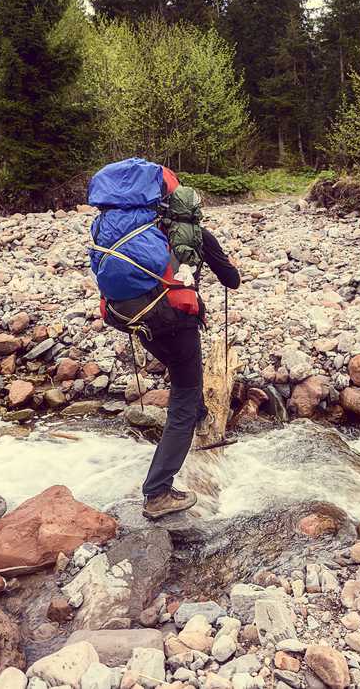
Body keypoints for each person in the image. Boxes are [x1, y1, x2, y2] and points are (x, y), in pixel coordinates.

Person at [87, 159, 240, 519]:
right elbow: (231, 280)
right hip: (175, 321)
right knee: (183, 396)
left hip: (135, 319)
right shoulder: (192, 235)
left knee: (179, 369)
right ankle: (158, 492)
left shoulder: (116, 232)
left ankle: (199, 413)